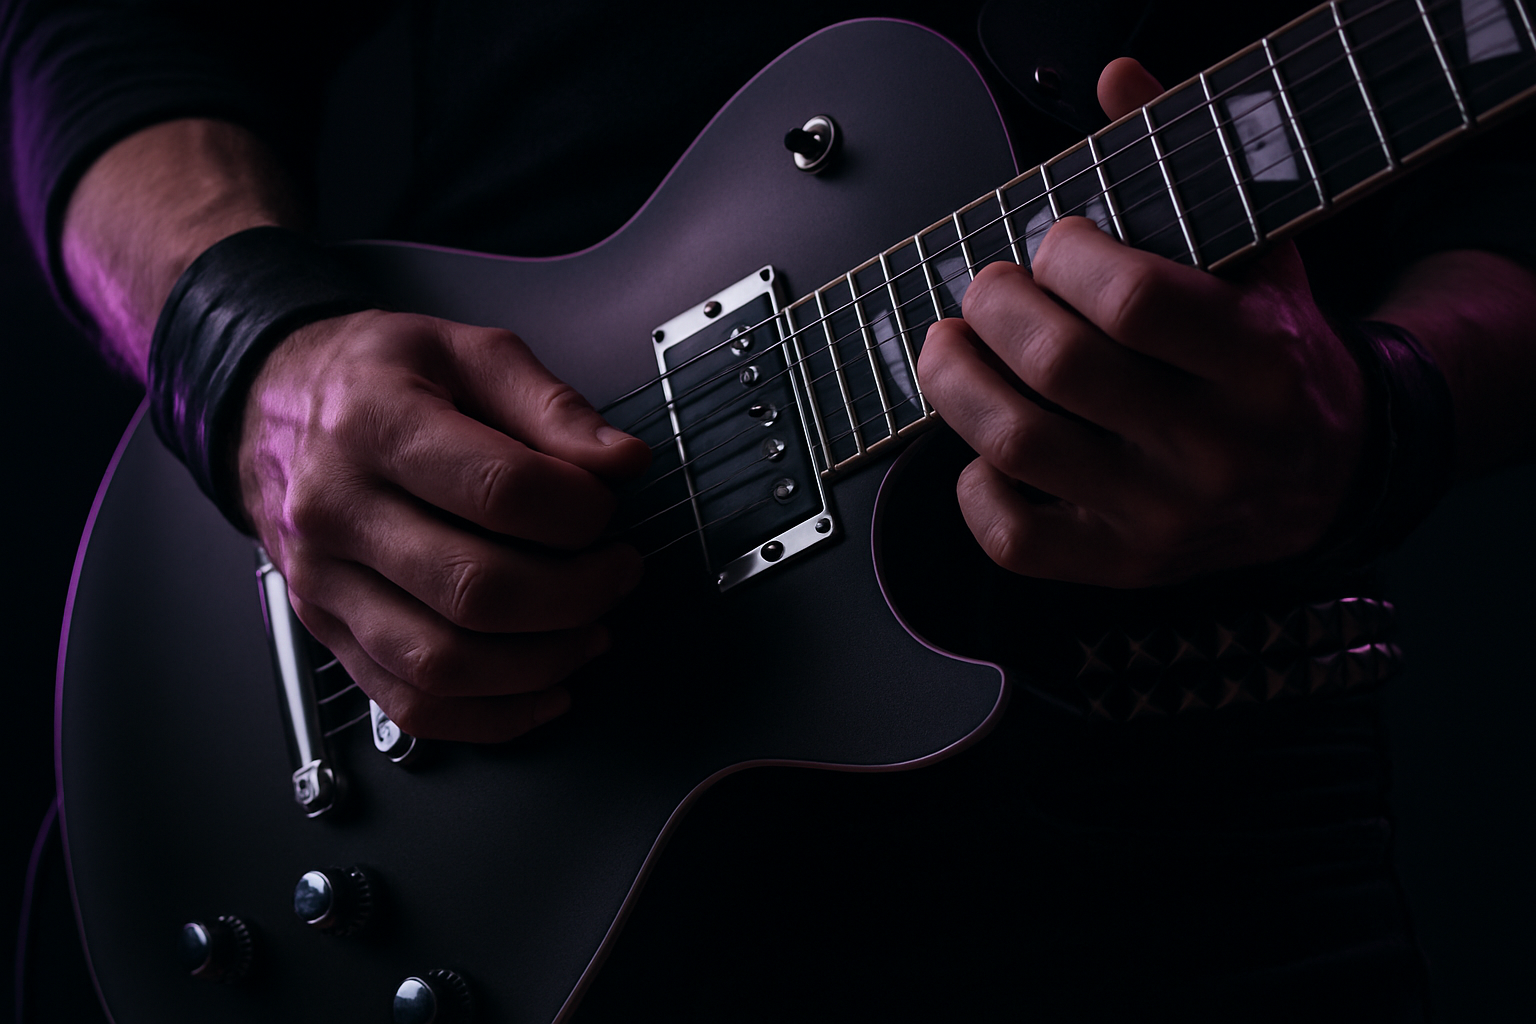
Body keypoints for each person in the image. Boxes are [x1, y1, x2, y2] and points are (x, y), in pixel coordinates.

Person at [6, 0, 1536, 1019]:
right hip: (485, 755)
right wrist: (255, 359)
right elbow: (118, 26)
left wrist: (1387, 413)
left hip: (1196, 842)